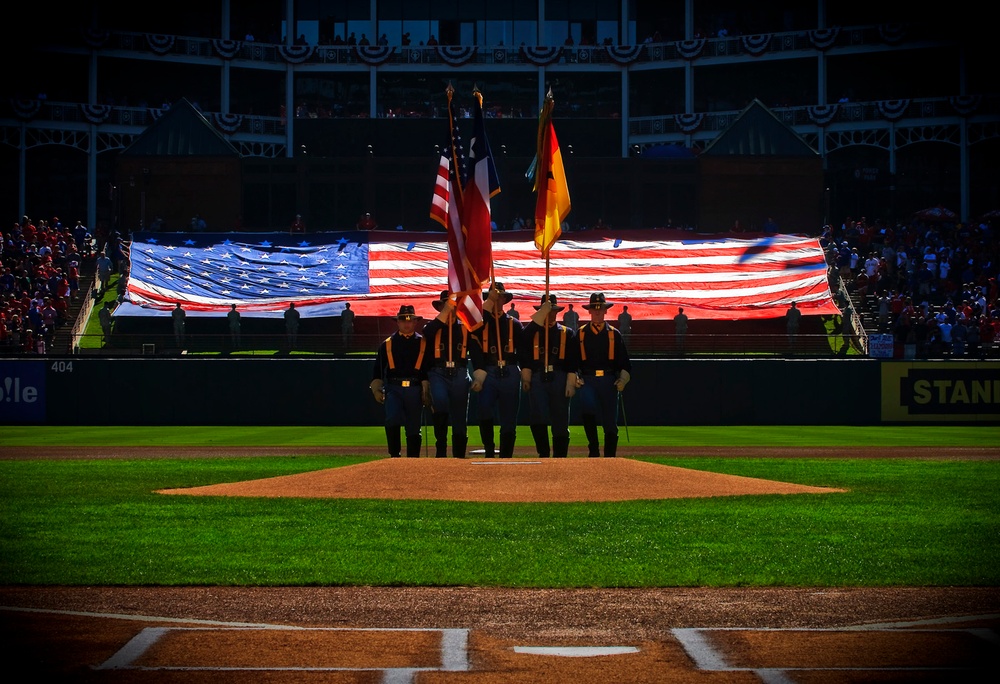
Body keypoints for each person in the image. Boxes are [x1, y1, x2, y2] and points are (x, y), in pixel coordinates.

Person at [519, 295, 580, 458]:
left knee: (560, 418)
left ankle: (560, 456)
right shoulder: (532, 332)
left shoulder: (567, 333)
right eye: (546, 311)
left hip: (559, 377)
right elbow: (523, 342)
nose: (550, 314)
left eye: (552, 311)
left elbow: (573, 360)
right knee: (537, 417)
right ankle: (543, 453)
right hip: (538, 377)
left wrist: (570, 381)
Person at [420, 291, 477, 458]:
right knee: (440, 404)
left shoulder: (464, 327)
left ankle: (459, 454)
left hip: (459, 372)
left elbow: (475, 351)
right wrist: (445, 311)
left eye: (452, 304)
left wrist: (479, 373)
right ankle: (441, 450)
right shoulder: (432, 327)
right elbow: (427, 333)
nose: (450, 307)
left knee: (460, 416)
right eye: (446, 304)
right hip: (438, 372)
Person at [471, 282, 524, 459]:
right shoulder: (482, 321)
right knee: (484, 411)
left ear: (504, 299)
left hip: (509, 370)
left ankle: (506, 455)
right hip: (489, 370)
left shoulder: (514, 324)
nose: (498, 300)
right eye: (494, 296)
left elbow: (523, 350)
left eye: (500, 296)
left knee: (509, 416)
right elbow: (474, 329)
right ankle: (489, 449)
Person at [576, 293, 632, 458]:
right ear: (589, 311)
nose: (598, 313)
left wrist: (623, 379)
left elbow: (625, 364)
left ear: (606, 311)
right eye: (594, 309)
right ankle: (593, 449)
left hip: (609, 380)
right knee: (588, 411)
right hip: (588, 379)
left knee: (610, 422)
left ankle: (610, 457)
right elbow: (573, 363)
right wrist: (575, 377)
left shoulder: (614, 334)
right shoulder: (580, 334)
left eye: (601, 309)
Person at [370, 304, 429, 458]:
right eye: (403, 320)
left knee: (414, 426)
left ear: (415, 322)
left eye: (410, 320)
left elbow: (427, 369)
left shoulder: (423, 343)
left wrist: (426, 388)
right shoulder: (387, 344)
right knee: (392, 419)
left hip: (415, 388)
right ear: (397, 322)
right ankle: (394, 456)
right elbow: (378, 370)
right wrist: (376, 389)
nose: (406, 323)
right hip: (394, 388)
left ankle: (413, 459)